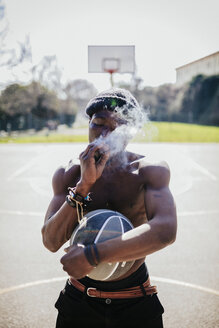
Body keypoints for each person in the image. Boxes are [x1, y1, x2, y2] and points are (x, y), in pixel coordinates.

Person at [41, 88, 177, 328]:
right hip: (79, 300)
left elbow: (165, 230)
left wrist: (93, 256)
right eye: (98, 124)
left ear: (131, 132)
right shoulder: (69, 173)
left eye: (117, 127)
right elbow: (51, 241)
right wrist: (84, 186)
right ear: (88, 124)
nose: (105, 133)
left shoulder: (148, 170)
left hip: (135, 300)